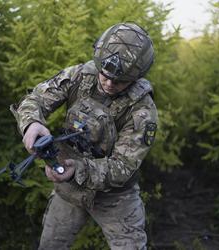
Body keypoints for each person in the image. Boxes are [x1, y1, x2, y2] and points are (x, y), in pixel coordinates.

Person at [10, 22, 158, 250]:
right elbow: (35, 99)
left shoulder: (142, 111)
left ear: (136, 77)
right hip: (69, 189)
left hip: (116, 198)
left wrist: (78, 169)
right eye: (105, 74)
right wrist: (32, 123)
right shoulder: (81, 76)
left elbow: (123, 167)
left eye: (119, 81)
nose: (109, 83)